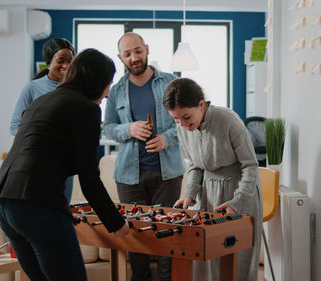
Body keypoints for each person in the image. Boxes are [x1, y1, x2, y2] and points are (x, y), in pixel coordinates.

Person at [0, 49, 129, 281]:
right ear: (96, 81)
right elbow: (89, 178)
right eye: (108, 85)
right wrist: (116, 222)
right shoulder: (86, 108)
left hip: (5, 205)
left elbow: (44, 161)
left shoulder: (43, 100)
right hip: (35, 208)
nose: (107, 95)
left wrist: (61, 212)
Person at [163, 78, 263, 281]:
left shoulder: (228, 120)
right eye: (176, 119)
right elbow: (195, 164)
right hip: (207, 196)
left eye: (186, 117)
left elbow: (251, 166)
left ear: (201, 104)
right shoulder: (184, 127)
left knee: (237, 265)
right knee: (206, 262)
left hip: (239, 194)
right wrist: (189, 194)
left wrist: (237, 202)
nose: (182, 124)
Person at [104, 32, 185, 281]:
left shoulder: (171, 83)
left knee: (167, 233)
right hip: (129, 176)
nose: (134, 57)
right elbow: (107, 127)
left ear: (147, 49)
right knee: (134, 234)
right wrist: (127, 129)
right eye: (127, 54)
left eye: (138, 51)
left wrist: (167, 138)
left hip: (168, 173)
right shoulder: (116, 90)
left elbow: (184, 122)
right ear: (121, 57)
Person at [9, 38, 76, 204]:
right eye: (61, 61)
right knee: (40, 213)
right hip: (37, 164)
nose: (66, 66)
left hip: (65, 165)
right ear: (49, 61)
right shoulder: (32, 88)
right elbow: (14, 126)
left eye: (70, 61)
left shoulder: (76, 90)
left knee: (61, 212)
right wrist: (40, 136)